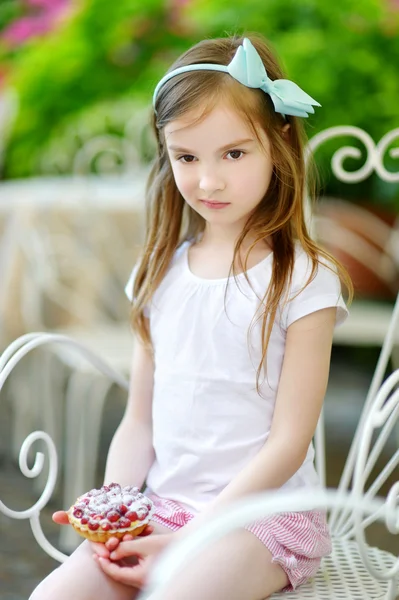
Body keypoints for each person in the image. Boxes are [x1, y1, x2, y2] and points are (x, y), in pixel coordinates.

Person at [31, 33, 352, 600]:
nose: (208, 180)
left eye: (233, 153)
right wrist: (114, 510)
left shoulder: (303, 280)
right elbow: (139, 422)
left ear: (278, 143)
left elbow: (289, 443)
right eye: (186, 157)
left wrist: (195, 538)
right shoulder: (161, 272)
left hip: (262, 518)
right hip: (163, 507)